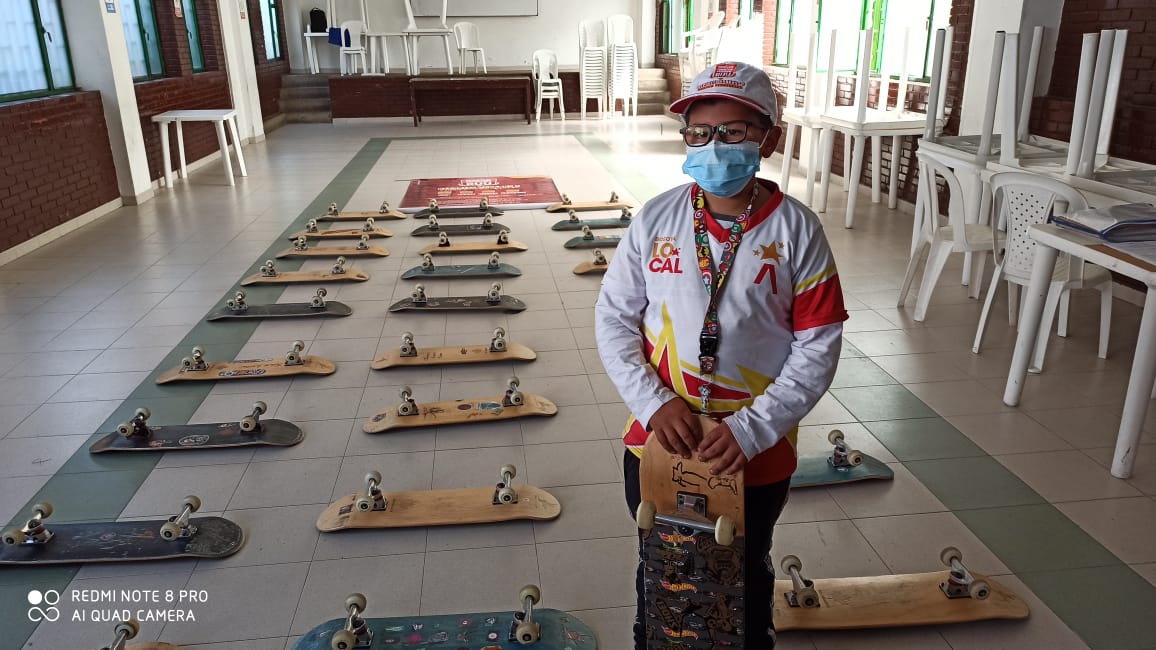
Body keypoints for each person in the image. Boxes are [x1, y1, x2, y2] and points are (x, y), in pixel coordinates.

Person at [594, 61, 848, 649]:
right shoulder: (657, 218)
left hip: (754, 453)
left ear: (769, 139)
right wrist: (655, 405)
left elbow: (819, 345)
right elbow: (613, 318)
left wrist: (753, 430)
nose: (715, 145)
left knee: (742, 568)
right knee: (663, 566)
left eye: (734, 131)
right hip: (660, 443)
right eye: (700, 132)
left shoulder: (798, 231)